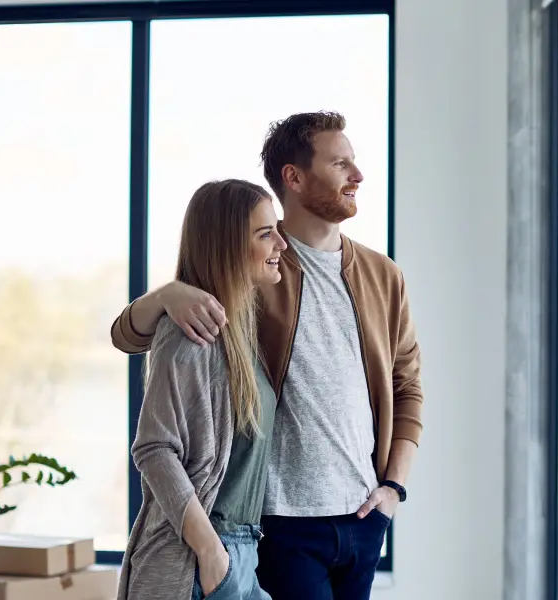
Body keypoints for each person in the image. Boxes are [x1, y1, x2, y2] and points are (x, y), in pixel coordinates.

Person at [109, 111, 423, 600]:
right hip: (279, 524)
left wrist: (392, 490)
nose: (357, 176)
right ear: (293, 177)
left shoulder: (384, 277)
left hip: (364, 517)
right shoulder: (256, 267)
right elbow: (131, 340)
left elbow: (408, 387)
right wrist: (165, 296)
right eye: (340, 164)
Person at [118, 179, 287, 600]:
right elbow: (154, 449)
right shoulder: (190, 331)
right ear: (228, 245)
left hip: (241, 553)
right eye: (265, 234)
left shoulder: (238, 331)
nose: (281, 244)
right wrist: (211, 551)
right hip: (198, 559)